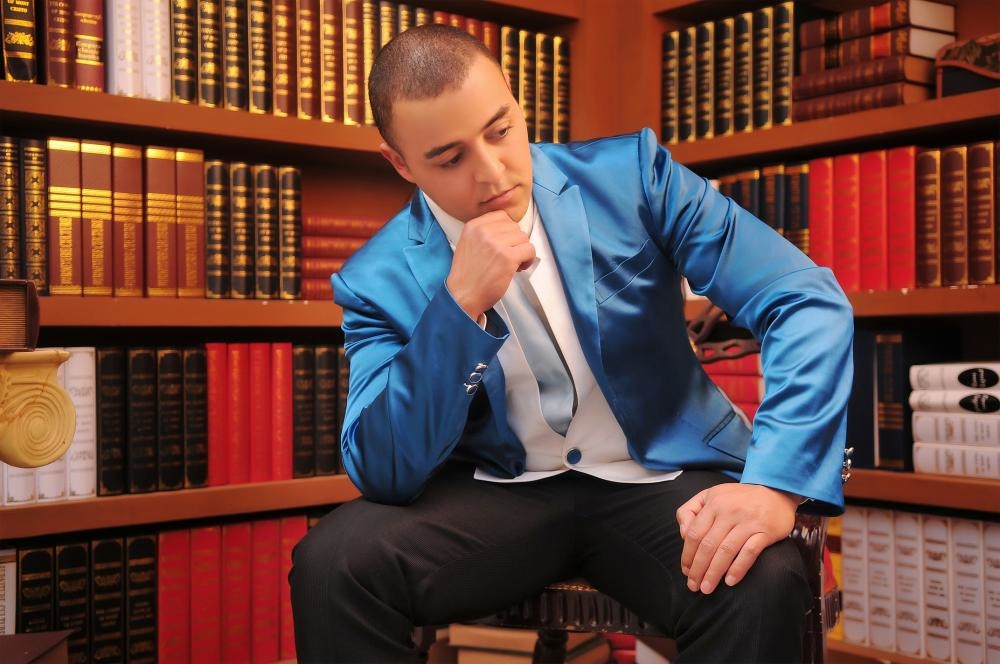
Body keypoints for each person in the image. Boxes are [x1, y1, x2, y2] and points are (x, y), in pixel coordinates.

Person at [290, 23, 854, 663]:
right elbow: (383, 469)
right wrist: (458, 307)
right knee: (332, 566)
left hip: (659, 477)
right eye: (449, 160)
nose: (492, 173)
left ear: (514, 96)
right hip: (497, 492)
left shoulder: (632, 177)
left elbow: (802, 297)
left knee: (761, 575)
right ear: (400, 163)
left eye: (500, 131)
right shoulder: (375, 279)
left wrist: (775, 486)